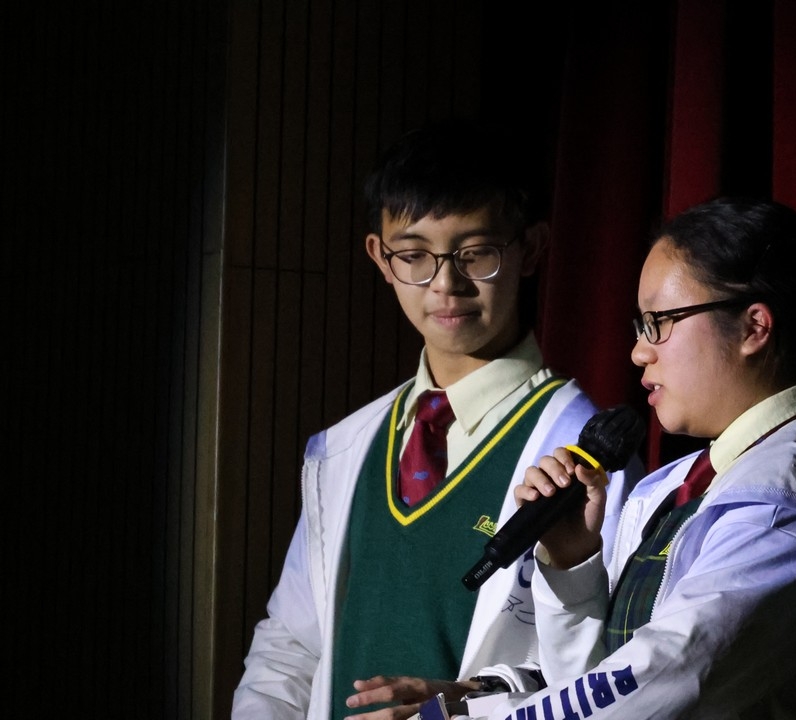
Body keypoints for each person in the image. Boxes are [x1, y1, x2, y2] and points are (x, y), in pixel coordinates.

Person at [440, 196, 796, 718]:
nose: (639, 351)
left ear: (753, 327)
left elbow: (655, 686)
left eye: (659, 321)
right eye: (640, 326)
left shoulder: (792, 507)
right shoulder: (676, 485)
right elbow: (596, 684)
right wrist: (573, 564)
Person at [231, 117, 643, 720]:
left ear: (531, 248)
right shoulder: (346, 447)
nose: (446, 284)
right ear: (380, 257)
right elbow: (291, 649)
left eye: (475, 254)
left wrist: (464, 704)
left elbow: (606, 680)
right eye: (414, 255)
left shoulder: (586, 459)